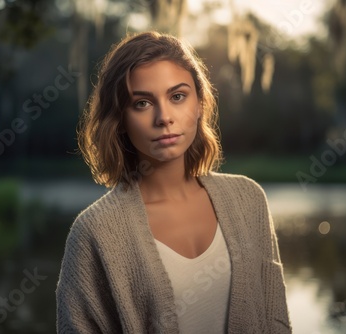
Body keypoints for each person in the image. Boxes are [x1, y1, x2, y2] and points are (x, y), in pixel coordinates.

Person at [56, 31, 291, 333]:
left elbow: (276, 320)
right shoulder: (95, 232)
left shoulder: (249, 199)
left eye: (177, 96)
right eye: (142, 103)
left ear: (200, 104)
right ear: (120, 119)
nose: (164, 117)